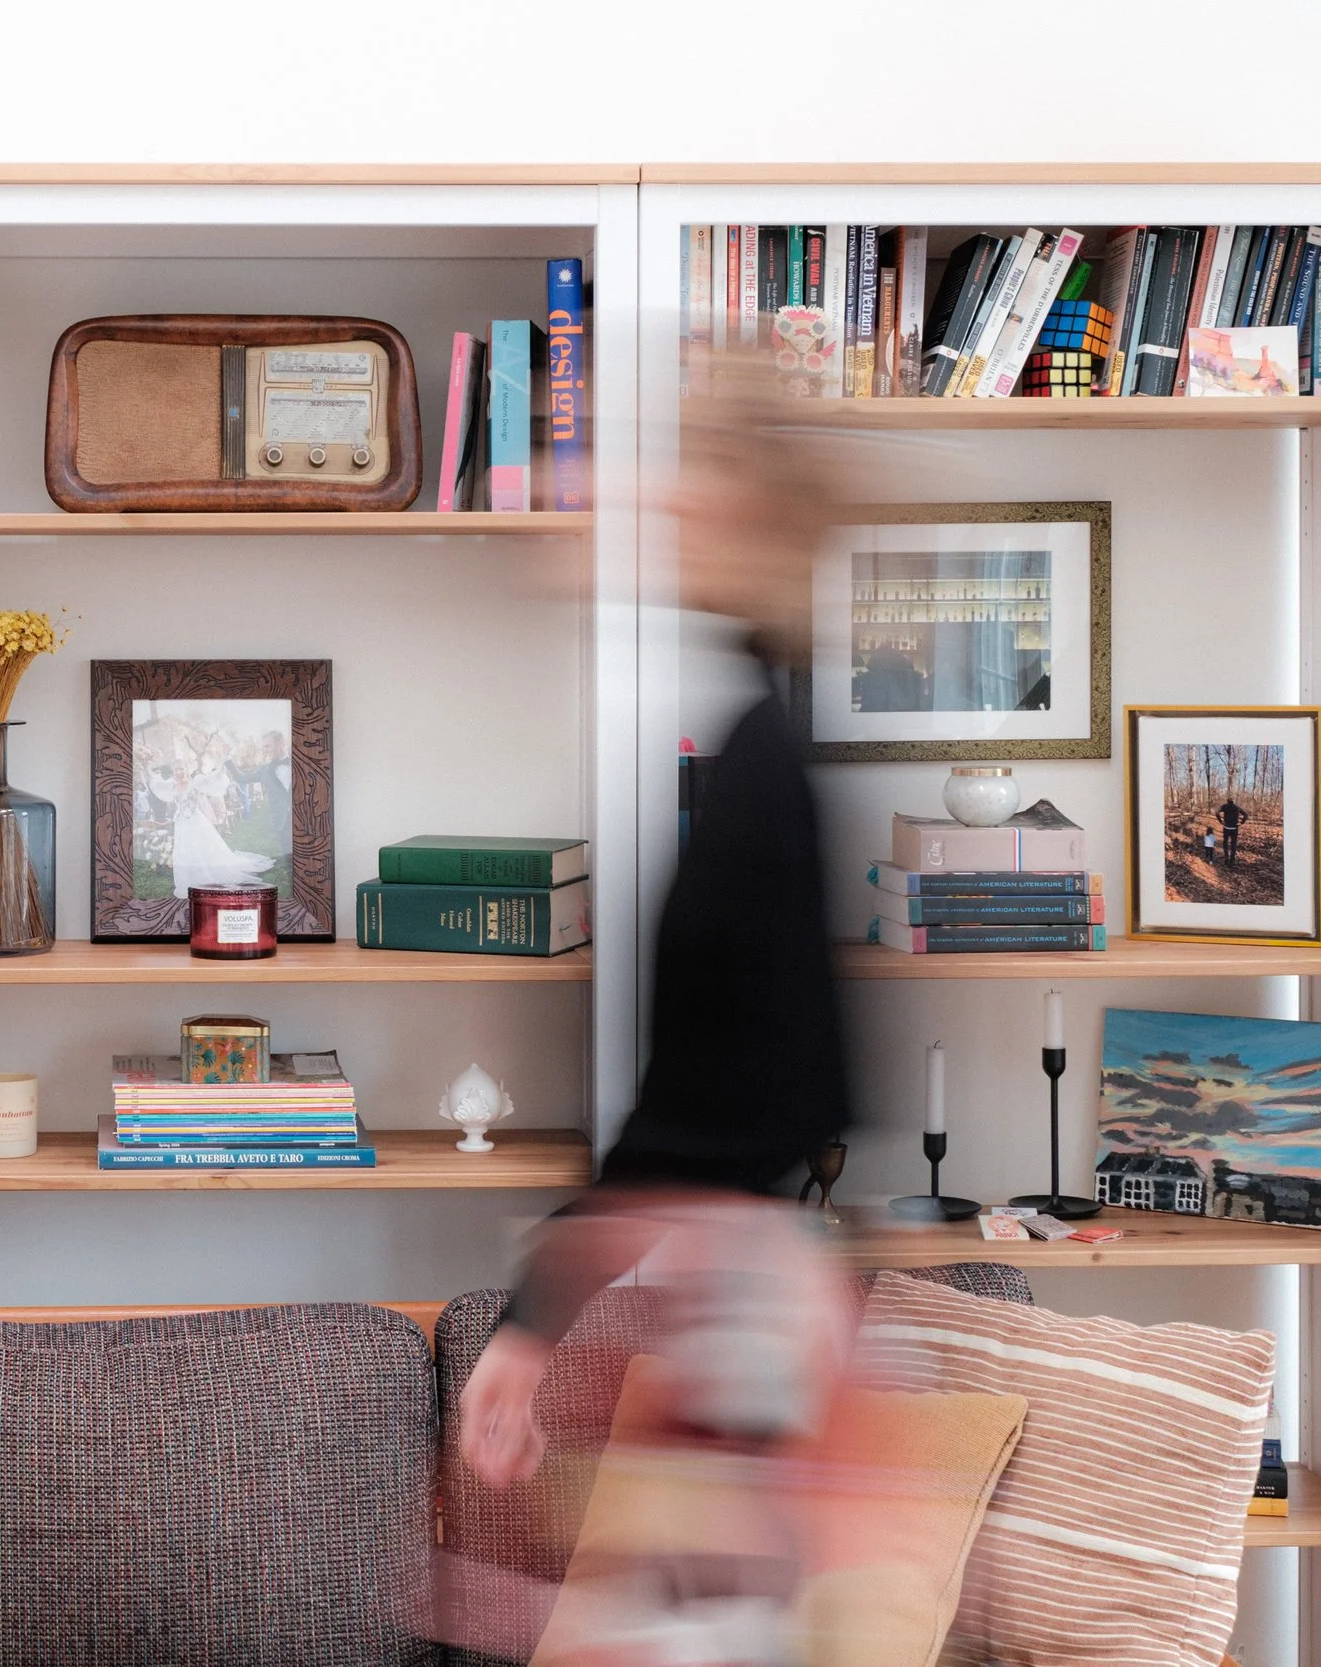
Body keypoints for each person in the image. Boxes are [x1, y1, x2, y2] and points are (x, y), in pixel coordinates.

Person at [456, 356, 857, 1664]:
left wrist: (532, 1319)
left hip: (740, 1298)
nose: (646, 502)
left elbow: (720, 1116)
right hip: (739, 1287)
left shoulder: (757, 773)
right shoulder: (759, 736)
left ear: (740, 511)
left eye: (678, 480)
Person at [1218, 797, 1246, 867]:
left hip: (1226, 828)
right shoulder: (1237, 807)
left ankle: (1226, 858)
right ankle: (1232, 860)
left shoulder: (1224, 806)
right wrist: (1241, 822)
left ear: (1227, 801)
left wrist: (1221, 821)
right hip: (1234, 828)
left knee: (1225, 843)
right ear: (1234, 801)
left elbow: (1216, 812)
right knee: (1233, 844)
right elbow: (1246, 815)